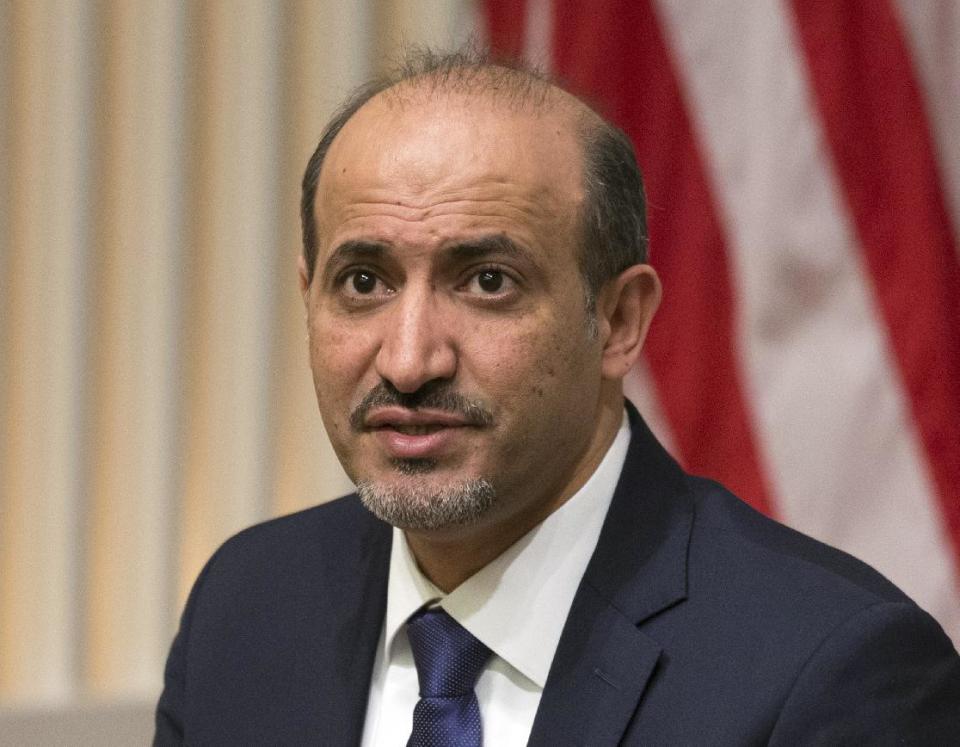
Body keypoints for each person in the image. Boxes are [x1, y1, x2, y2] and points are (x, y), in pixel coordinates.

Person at [155, 50, 960, 745]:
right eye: (363, 281)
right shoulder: (246, 607)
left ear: (617, 320)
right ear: (308, 297)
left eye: (488, 281)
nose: (407, 361)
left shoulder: (829, 672)